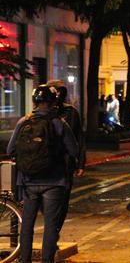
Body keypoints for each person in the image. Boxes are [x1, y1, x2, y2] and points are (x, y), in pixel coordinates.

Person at [7, 85, 78, 263]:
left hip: (28, 181)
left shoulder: (24, 121)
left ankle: (25, 260)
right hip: (54, 181)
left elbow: (10, 149)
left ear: (35, 102)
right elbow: (74, 150)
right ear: (52, 102)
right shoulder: (59, 123)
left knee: (27, 225)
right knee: (51, 226)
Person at [46, 80, 86, 235]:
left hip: (65, 165)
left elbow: (79, 138)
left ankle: (53, 236)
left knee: (62, 204)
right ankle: (50, 237)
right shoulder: (40, 113)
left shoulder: (71, 112)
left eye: (61, 92)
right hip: (45, 165)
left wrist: (81, 163)